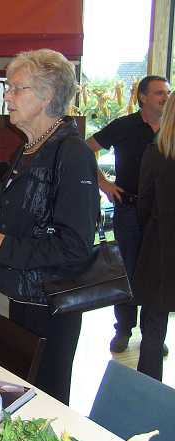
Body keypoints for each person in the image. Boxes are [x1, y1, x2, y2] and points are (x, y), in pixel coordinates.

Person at [0, 49, 100, 405]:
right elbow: (24, 228)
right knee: (19, 400)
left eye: (17, 88)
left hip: (52, 308)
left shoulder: (72, 154)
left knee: (44, 404)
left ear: (47, 95)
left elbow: (75, 246)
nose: (7, 96)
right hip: (21, 298)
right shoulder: (29, 149)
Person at [86, 75, 171, 355]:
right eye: (159, 93)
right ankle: (123, 329)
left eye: (167, 92)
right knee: (127, 270)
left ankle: (152, 335)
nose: (166, 97)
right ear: (142, 97)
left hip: (162, 215)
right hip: (130, 209)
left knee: (157, 272)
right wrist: (103, 183)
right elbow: (85, 149)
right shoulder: (125, 126)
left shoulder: (171, 129)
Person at [132, 93, 175, 381]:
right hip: (161, 245)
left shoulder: (155, 153)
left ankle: (146, 391)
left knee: (154, 327)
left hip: (160, 247)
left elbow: (144, 205)